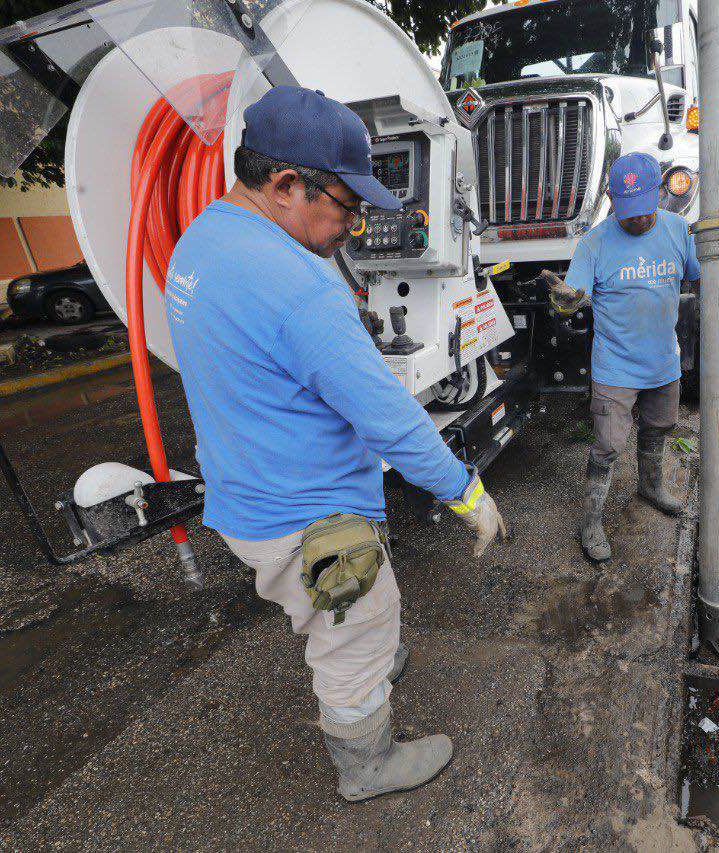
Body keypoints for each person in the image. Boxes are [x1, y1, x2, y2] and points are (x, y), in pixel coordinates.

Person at [163, 86, 506, 802]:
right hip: (309, 521)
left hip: (246, 499)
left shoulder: (202, 240)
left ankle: (365, 658)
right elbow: (392, 418)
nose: (355, 224)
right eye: (347, 205)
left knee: (327, 611)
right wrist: (466, 493)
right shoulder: (300, 289)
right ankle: (365, 763)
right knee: (358, 626)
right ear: (286, 184)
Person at [541, 152, 701, 561]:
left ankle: (650, 486)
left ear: (660, 194)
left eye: (646, 211)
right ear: (612, 199)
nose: (639, 221)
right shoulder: (594, 243)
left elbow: (702, 281)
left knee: (659, 427)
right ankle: (591, 520)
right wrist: (564, 302)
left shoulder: (679, 231)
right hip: (616, 367)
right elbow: (571, 298)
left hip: (664, 361)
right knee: (609, 444)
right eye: (628, 213)